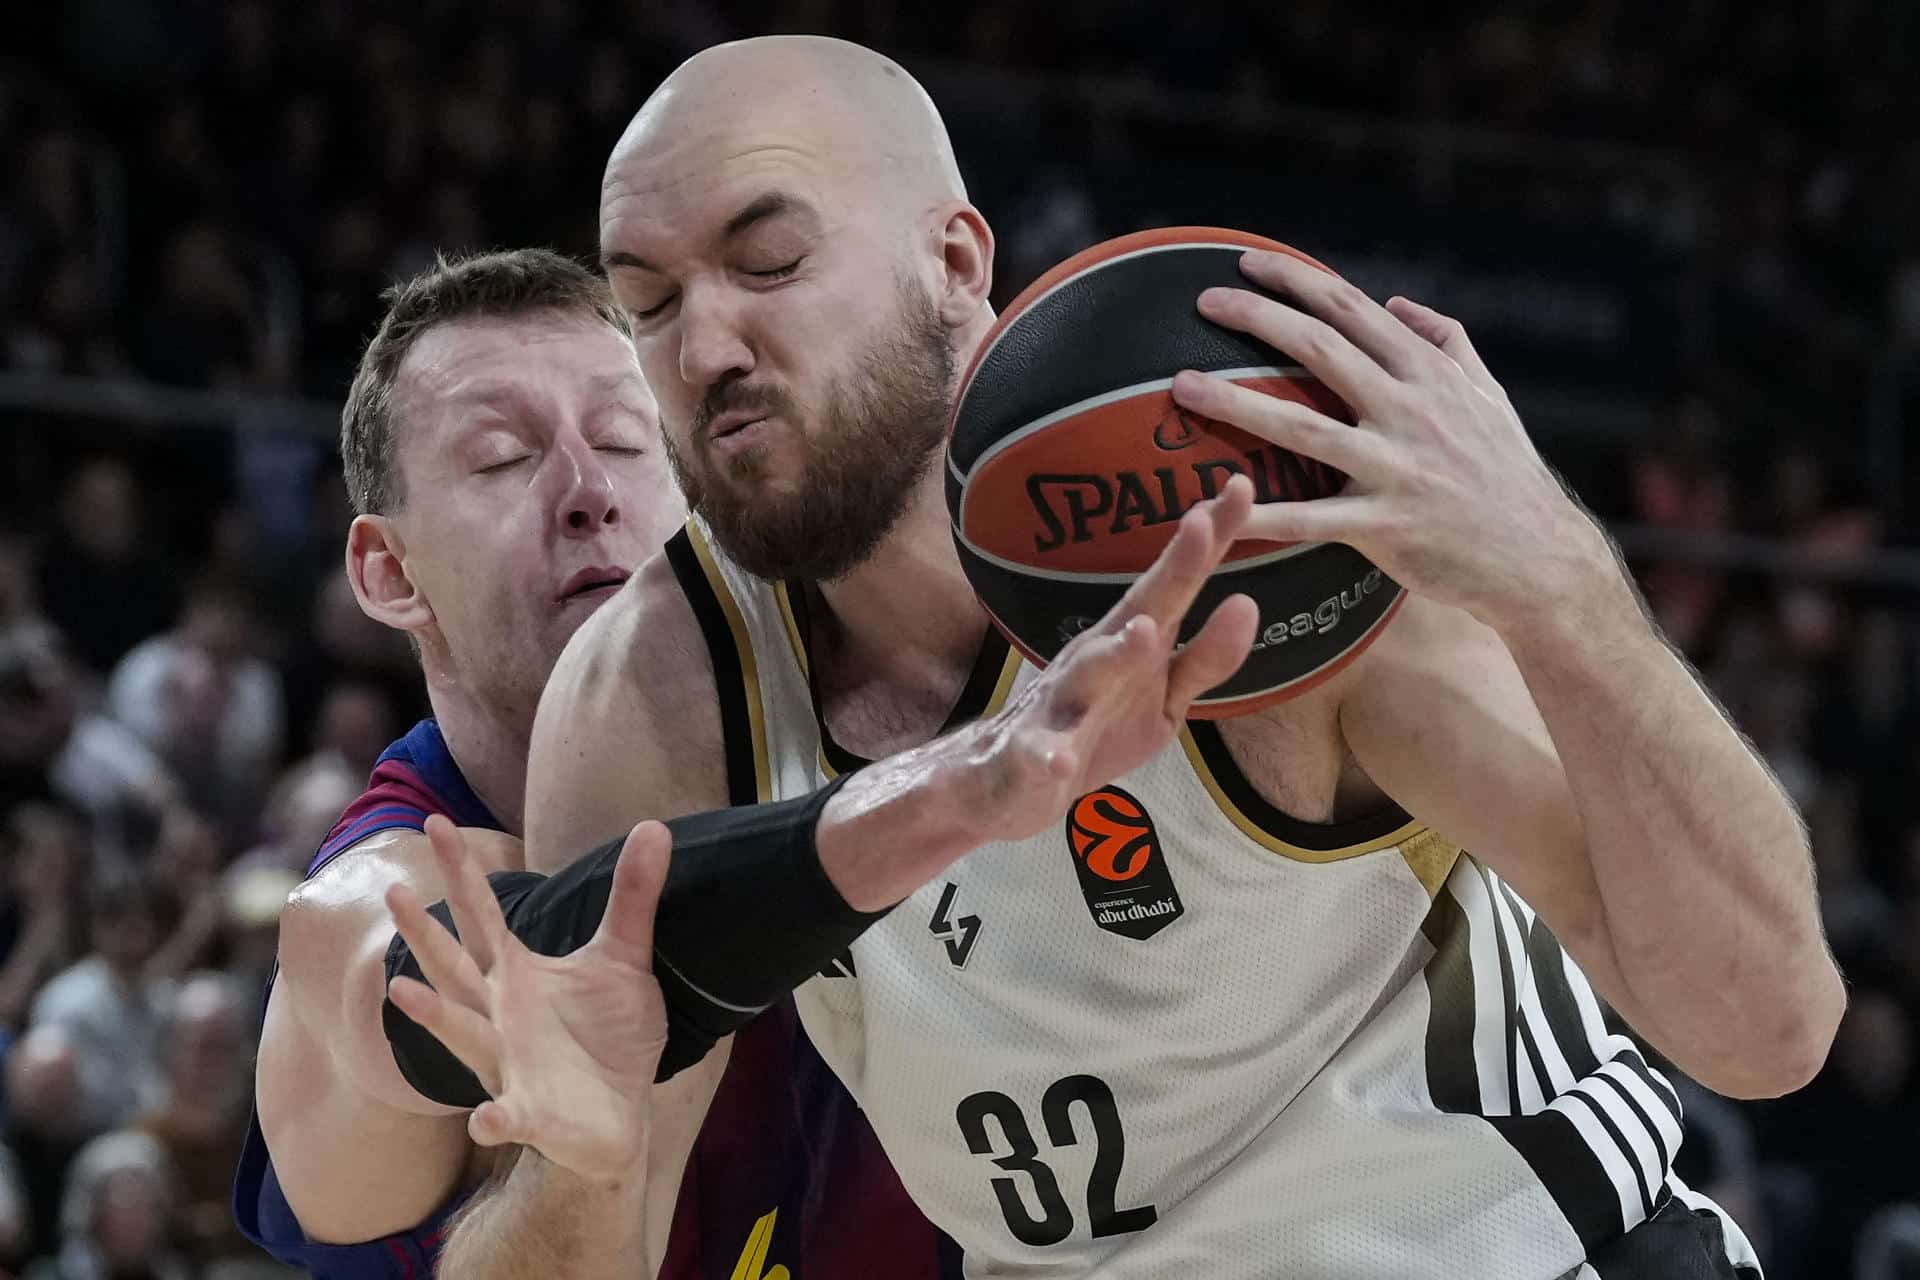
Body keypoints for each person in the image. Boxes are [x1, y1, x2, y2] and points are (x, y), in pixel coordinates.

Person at [408, 35, 1843, 1279]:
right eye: (646, 304)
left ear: (956, 262)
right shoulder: (656, 691)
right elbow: (572, 1219)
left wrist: (1564, 588)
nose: (706, 340)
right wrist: (585, 1175)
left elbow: (1770, 1029)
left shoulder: (1265, 537)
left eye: (768, 261)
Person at [233, 245, 953, 1280]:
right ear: (390, 572)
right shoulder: (376, 890)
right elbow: (394, 953)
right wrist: (946, 802)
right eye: (500, 458)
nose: (587, 490)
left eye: (626, 439)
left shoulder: (863, 716)